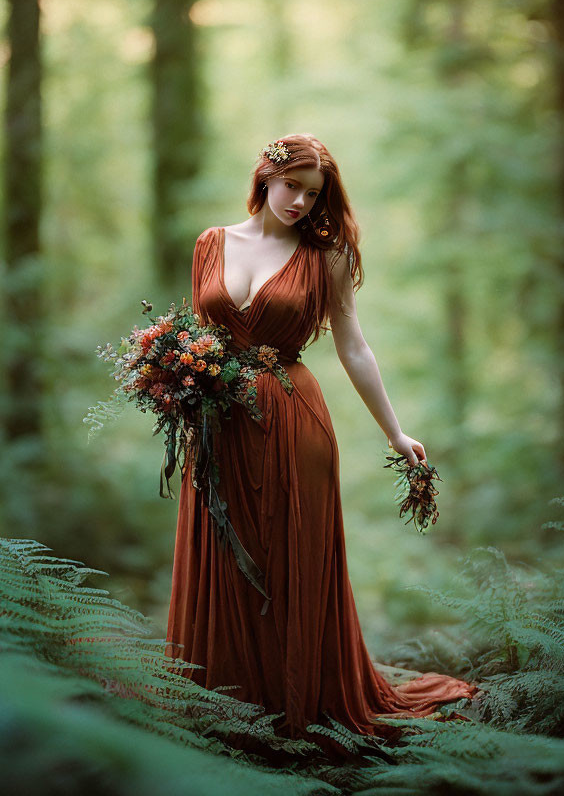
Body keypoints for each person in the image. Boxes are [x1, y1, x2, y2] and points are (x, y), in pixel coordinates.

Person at [164, 133, 478, 757]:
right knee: (222, 563)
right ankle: (224, 711)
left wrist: (395, 430)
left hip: (293, 421)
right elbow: (195, 337)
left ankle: (295, 715)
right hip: (218, 424)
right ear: (265, 178)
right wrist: (173, 379)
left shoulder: (325, 255)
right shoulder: (211, 243)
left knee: (291, 563)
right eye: (292, 187)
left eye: (314, 194)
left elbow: (352, 345)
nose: (301, 203)